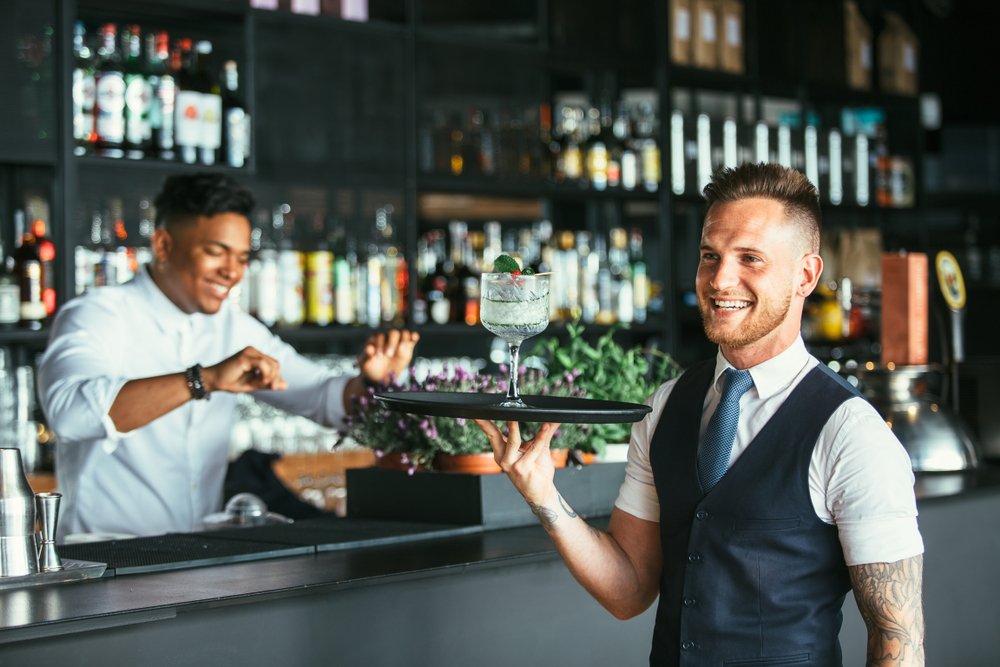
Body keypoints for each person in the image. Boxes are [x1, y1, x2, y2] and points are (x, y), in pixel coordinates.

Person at [475, 163, 925, 665]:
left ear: (805, 275)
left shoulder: (851, 433)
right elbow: (629, 591)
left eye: (750, 258)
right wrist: (543, 495)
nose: (720, 279)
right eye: (710, 255)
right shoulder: (666, 406)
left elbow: (897, 639)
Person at [38, 173, 418, 539]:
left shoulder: (232, 326)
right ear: (164, 245)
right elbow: (70, 414)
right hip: (106, 556)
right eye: (216, 252)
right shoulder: (98, 314)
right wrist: (203, 380)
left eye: (241, 257)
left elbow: (321, 396)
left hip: (196, 554)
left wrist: (371, 381)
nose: (232, 272)